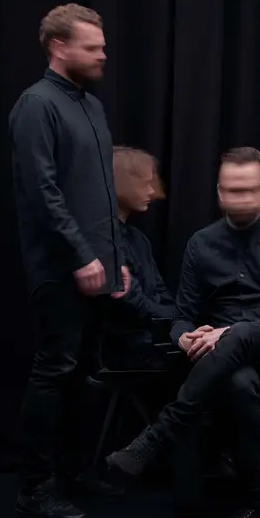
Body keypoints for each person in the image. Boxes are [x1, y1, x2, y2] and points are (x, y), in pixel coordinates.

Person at [105, 147, 260, 518]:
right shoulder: (201, 244)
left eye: (250, 190)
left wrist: (229, 332)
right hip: (229, 367)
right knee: (238, 381)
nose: (242, 199)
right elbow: (182, 314)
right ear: (219, 193)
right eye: (233, 191)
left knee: (241, 334)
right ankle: (256, 505)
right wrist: (182, 336)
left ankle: (156, 437)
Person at [10, 3, 130, 518]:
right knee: (55, 370)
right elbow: (42, 193)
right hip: (60, 268)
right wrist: (82, 256)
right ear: (59, 47)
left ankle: (76, 473)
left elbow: (101, 195)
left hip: (98, 265)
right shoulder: (36, 105)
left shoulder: (93, 106)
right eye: (92, 47)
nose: (103, 55)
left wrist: (116, 258)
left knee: (86, 374)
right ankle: (36, 488)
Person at [102, 146, 179, 370]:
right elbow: (131, 306)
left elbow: (162, 296)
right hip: (123, 353)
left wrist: (175, 317)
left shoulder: (138, 239)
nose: (152, 191)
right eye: (144, 183)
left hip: (150, 343)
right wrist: (174, 318)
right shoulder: (102, 241)